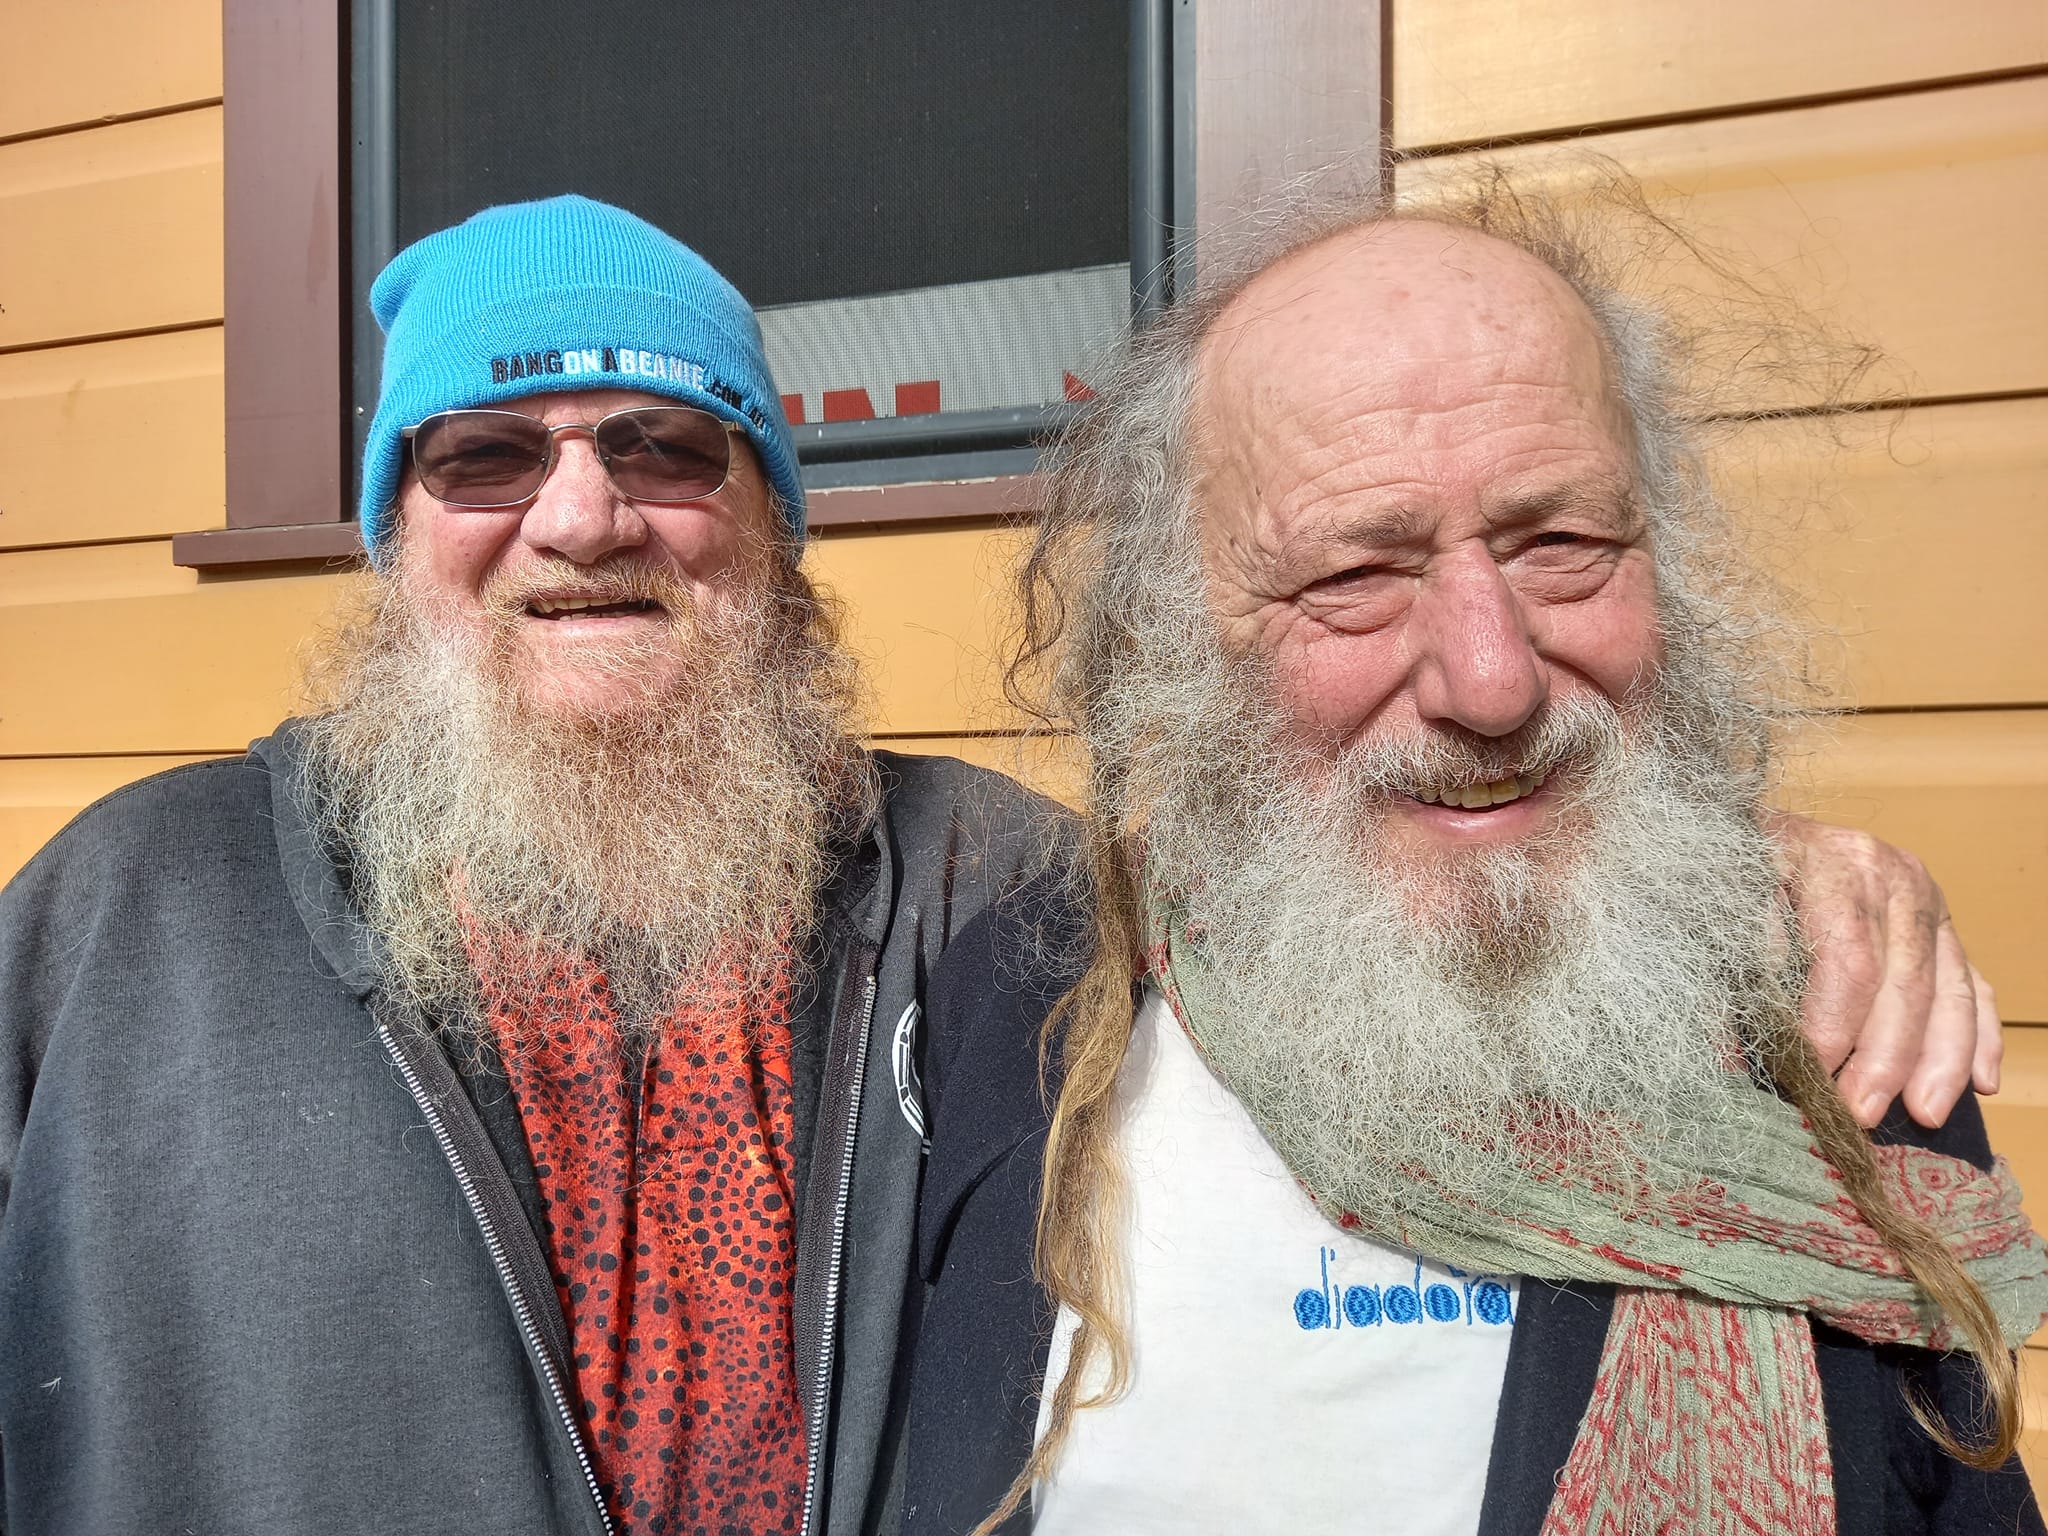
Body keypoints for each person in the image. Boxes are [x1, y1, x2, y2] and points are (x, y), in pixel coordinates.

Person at [0, 192, 2007, 1536]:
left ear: (772, 528)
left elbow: (1394, 840)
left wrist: (1765, 869)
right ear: (395, 538)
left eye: (670, 449)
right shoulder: (118, 914)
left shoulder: (991, 897)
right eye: (486, 458)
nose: (585, 516)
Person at [900, 178, 2048, 1534]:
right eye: (1352, 577)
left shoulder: (1837, 1035)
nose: (1493, 683)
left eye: (1562, 545)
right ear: (1182, 623)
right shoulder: (1020, 1003)